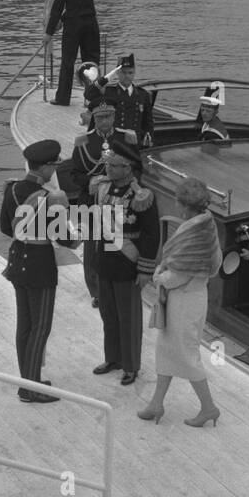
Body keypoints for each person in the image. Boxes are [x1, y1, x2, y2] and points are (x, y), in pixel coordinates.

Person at [138, 177, 223, 427]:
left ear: (183, 205)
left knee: (186, 354)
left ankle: (209, 407)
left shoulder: (194, 231)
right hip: (189, 298)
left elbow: (179, 274)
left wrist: (159, 276)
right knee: (166, 348)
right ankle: (156, 404)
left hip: (185, 301)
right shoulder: (207, 225)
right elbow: (207, 265)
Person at [0, 139, 75, 403]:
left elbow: (5, 229)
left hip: (17, 259)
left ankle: (28, 380)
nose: (54, 170)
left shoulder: (12, 189)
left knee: (25, 326)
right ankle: (30, 389)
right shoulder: (49, 198)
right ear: (44, 168)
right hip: (40, 265)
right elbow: (66, 239)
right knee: (40, 327)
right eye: (53, 166)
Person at [91, 143, 160, 386]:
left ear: (128, 168)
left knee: (128, 318)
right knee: (108, 314)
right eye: (108, 164)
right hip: (105, 261)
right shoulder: (103, 188)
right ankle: (113, 358)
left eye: (113, 165)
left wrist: (144, 270)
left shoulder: (142, 196)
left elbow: (151, 235)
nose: (108, 168)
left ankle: (130, 365)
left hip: (127, 264)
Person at [68, 104, 137, 305]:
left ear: (114, 117)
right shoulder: (84, 142)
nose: (104, 121)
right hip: (91, 201)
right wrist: (89, 181)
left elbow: (137, 169)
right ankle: (97, 291)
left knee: (116, 245)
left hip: (119, 198)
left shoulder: (126, 138)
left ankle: (115, 286)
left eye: (108, 117)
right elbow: (74, 174)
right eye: (100, 118)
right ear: (94, 119)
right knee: (91, 247)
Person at [46, 0, 101, 106]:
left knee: (68, 62)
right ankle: (91, 99)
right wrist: (64, 18)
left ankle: (63, 98)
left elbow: (57, 9)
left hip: (74, 27)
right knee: (91, 62)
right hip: (91, 24)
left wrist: (48, 33)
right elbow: (82, 5)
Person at [103, 54, 154, 147]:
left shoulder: (143, 95)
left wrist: (148, 137)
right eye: (123, 72)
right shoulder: (108, 93)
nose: (127, 76)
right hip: (115, 142)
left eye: (130, 73)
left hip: (136, 143)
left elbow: (148, 122)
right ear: (117, 73)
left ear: (134, 73)